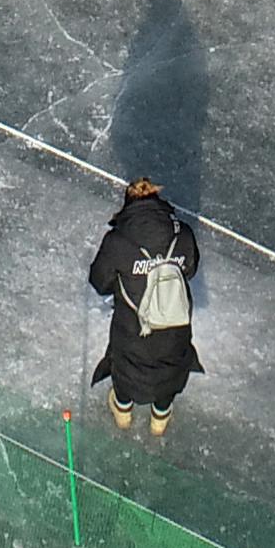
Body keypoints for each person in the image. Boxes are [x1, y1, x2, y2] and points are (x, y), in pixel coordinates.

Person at [86, 182, 203, 437]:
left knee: (127, 367)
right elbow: (190, 270)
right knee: (170, 368)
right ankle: (160, 419)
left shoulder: (117, 240)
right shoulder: (182, 233)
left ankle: (123, 412)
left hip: (134, 332)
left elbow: (99, 281)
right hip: (175, 330)